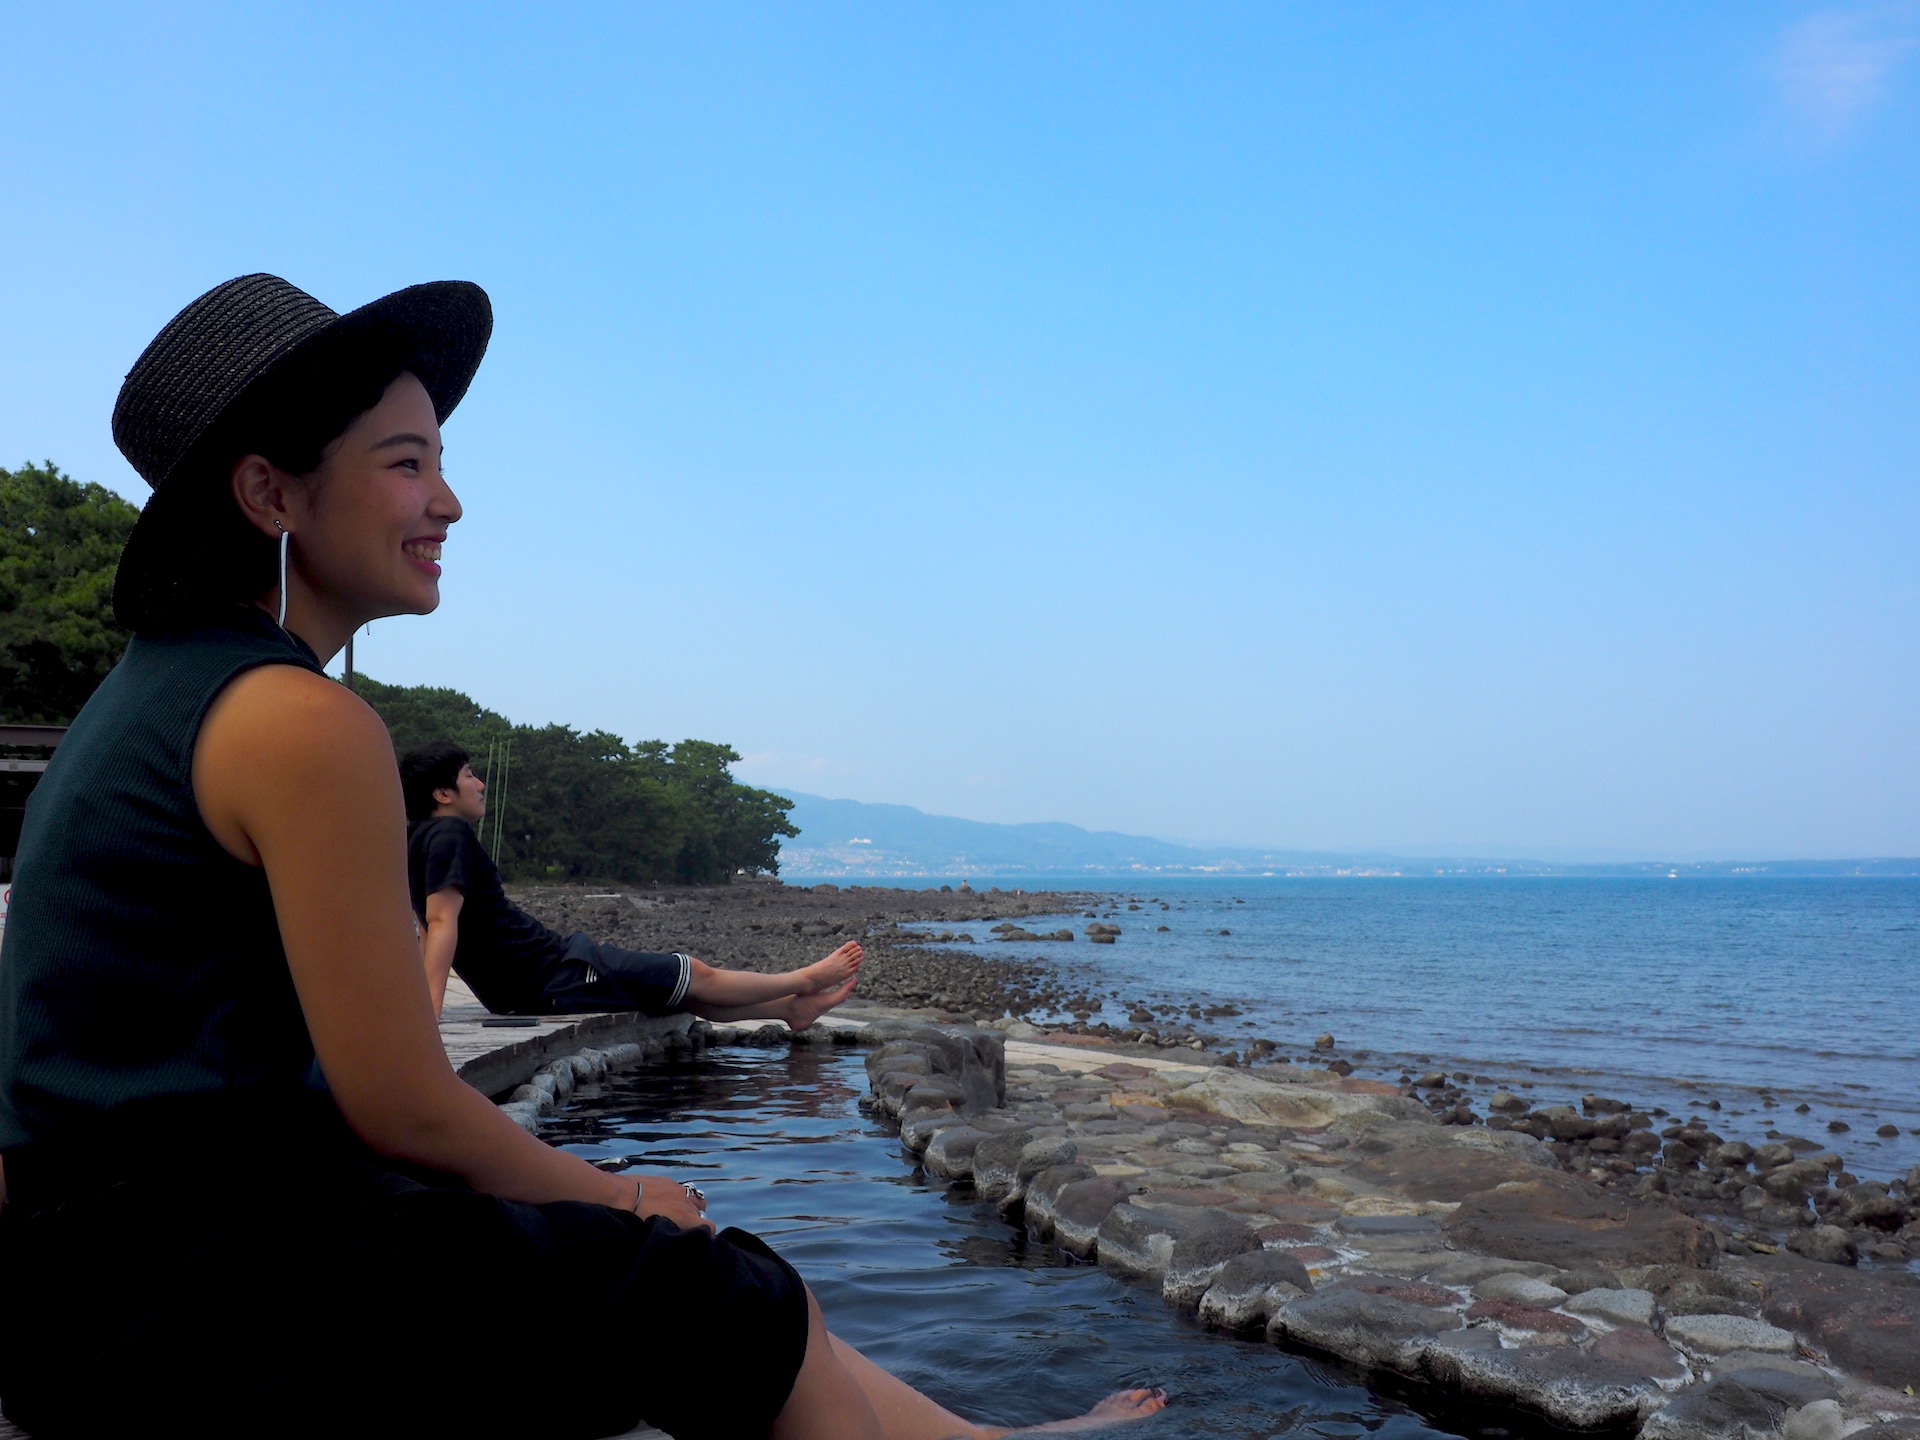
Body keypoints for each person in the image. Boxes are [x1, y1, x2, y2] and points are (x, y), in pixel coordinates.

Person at [0, 273, 1168, 1440]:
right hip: (189, 1294)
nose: (448, 501)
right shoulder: (294, 721)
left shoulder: (162, 694)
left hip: (93, 1275)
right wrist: (625, 1197)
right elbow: (402, 1107)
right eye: (407, 463)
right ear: (270, 493)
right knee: (715, 1284)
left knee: (750, 1299)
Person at [398, 738, 862, 1024]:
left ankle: (787, 1008)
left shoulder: (417, 837)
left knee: (672, 993)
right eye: (468, 775)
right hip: (553, 974)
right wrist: (427, 1014)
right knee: (694, 972)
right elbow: (439, 923)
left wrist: (423, 999)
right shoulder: (450, 833)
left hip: (541, 975)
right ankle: (802, 980)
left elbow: (424, 925)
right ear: (443, 793)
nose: (480, 783)